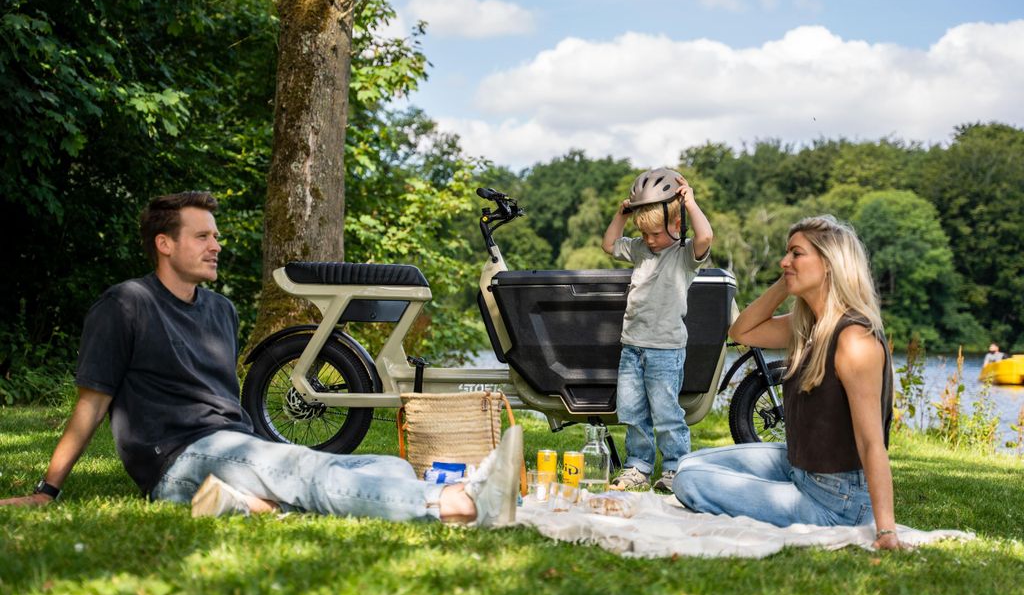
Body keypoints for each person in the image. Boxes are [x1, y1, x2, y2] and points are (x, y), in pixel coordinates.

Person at [0, 191, 521, 527]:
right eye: (202, 236)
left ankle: (241, 502)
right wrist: (48, 489)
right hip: (177, 458)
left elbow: (225, 406)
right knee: (300, 466)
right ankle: (456, 506)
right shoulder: (125, 305)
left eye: (216, 236)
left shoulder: (221, 310)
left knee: (385, 464)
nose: (216, 246)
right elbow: (91, 405)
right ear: (164, 243)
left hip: (232, 444)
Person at [672, 215, 906, 550]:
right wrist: (788, 280)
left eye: (796, 254)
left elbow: (872, 443)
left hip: (836, 501)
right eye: (787, 254)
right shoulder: (809, 325)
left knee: (689, 481)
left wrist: (885, 531)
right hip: (798, 466)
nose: (784, 261)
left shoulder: (854, 339)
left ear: (829, 264)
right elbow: (741, 332)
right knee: (688, 464)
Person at [601, 168, 713, 492]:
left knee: (666, 414)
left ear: (677, 226)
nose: (650, 241)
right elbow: (609, 244)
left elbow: (706, 237)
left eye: (656, 234)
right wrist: (621, 214)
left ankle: (676, 469)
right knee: (632, 411)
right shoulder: (640, 249)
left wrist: (690, 203)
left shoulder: (684, 255)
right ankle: (638, 466)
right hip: (632, 346)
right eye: (645, 234)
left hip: (665, 349)